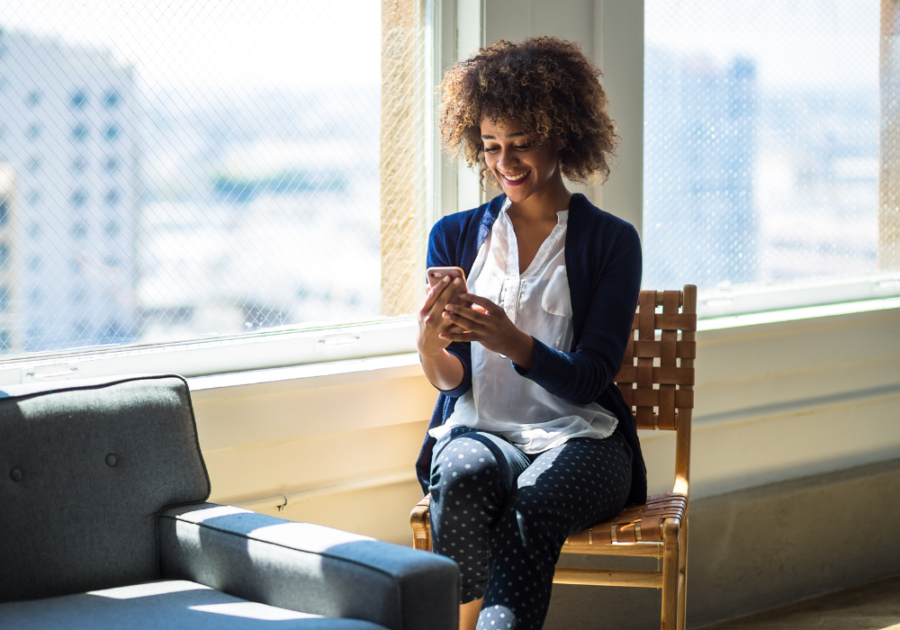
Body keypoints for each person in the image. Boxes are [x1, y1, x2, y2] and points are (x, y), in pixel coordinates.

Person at [415, 37, 646, 630]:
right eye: (491, 146)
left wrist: (510, 340)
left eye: (522, 144)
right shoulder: (456, 236)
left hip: (584, 439)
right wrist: (429, 346)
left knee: (532, 509)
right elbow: (453, 379)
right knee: (460, 475)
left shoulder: (611, 242)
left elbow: (593, 377)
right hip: (485, 430)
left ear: (562, 134)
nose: (505, 162)